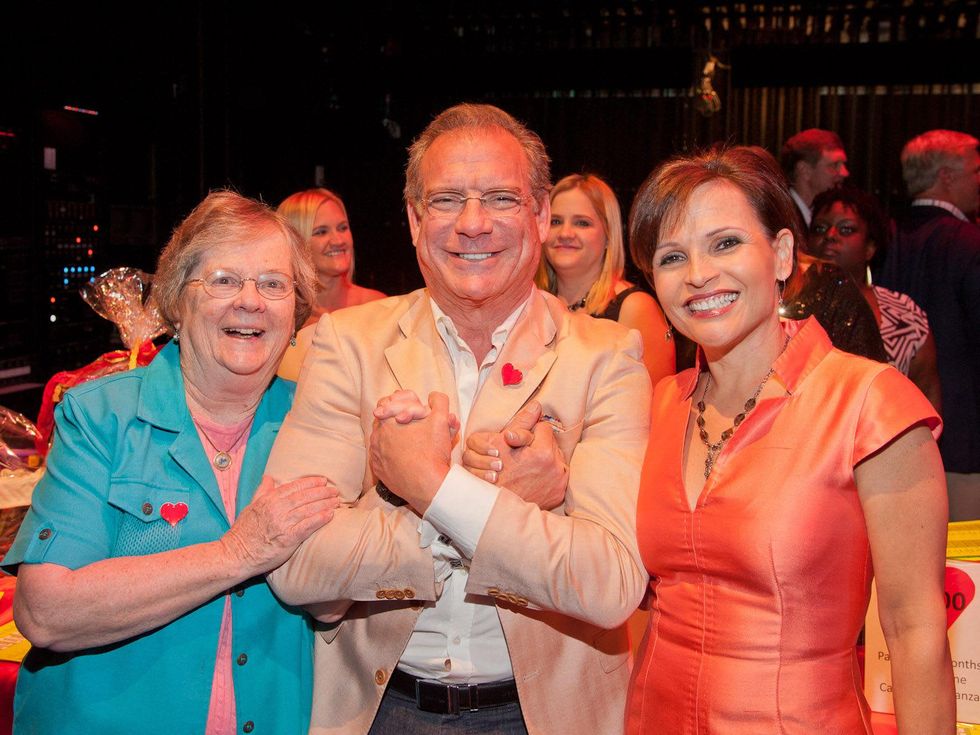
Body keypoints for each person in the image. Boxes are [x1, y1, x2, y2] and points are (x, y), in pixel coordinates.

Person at [264, 103, 651, 735]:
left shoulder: (605, 358)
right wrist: (473, 506)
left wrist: (423, 487)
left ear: (540, 213)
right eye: (446, 200)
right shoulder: (347, 344)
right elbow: (296, 566)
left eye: (500, 197)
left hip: (545, 716)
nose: (473, 225)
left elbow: (609, 584)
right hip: (380, 710)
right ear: (415, 220)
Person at [626, 146, 953, 733]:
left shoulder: (867, 403)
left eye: (725, 243)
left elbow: (915, 630)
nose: (699, 273)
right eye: (672, 256)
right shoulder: (662, 404)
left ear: (780, 255)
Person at [1, 190, 341, 733]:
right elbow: (46, 614)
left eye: (274, 284)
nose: (251, 301)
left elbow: (344, 604)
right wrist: (239, 552)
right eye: (225, 280)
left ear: (297, 314)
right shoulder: (100, 416)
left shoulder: (321, 421)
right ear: (178, 303)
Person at [876, 129, 980, 521]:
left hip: (886, 437)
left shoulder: (880, 237)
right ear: (947, 177)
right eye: (976, 170)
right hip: (962, 442)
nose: (979, 180)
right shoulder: (970, 244)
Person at [809, 185, 941, 410]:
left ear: (870, 248)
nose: (830, 237)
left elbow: (927, 398)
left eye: (846, 230)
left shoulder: (903, 313)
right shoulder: (788, 305)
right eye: (820, 228)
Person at [537, 172, 674, 386]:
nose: (565, 233)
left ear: (609, 235)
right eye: (555, 221)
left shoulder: (635, 308)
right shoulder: (533, 304)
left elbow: (656, 406)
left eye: (582, 223)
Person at [276, 188, 386, 379]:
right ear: (296, 243)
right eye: (321, 232)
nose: (338, 240)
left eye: (343, 228)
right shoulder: (283, 316)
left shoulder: (378, 307)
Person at [780, 128, 849, 226]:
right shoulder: (781, 217)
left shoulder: (824, 214)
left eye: (843, 165)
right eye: (834, 165)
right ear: (804, 170)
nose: (845, 173)